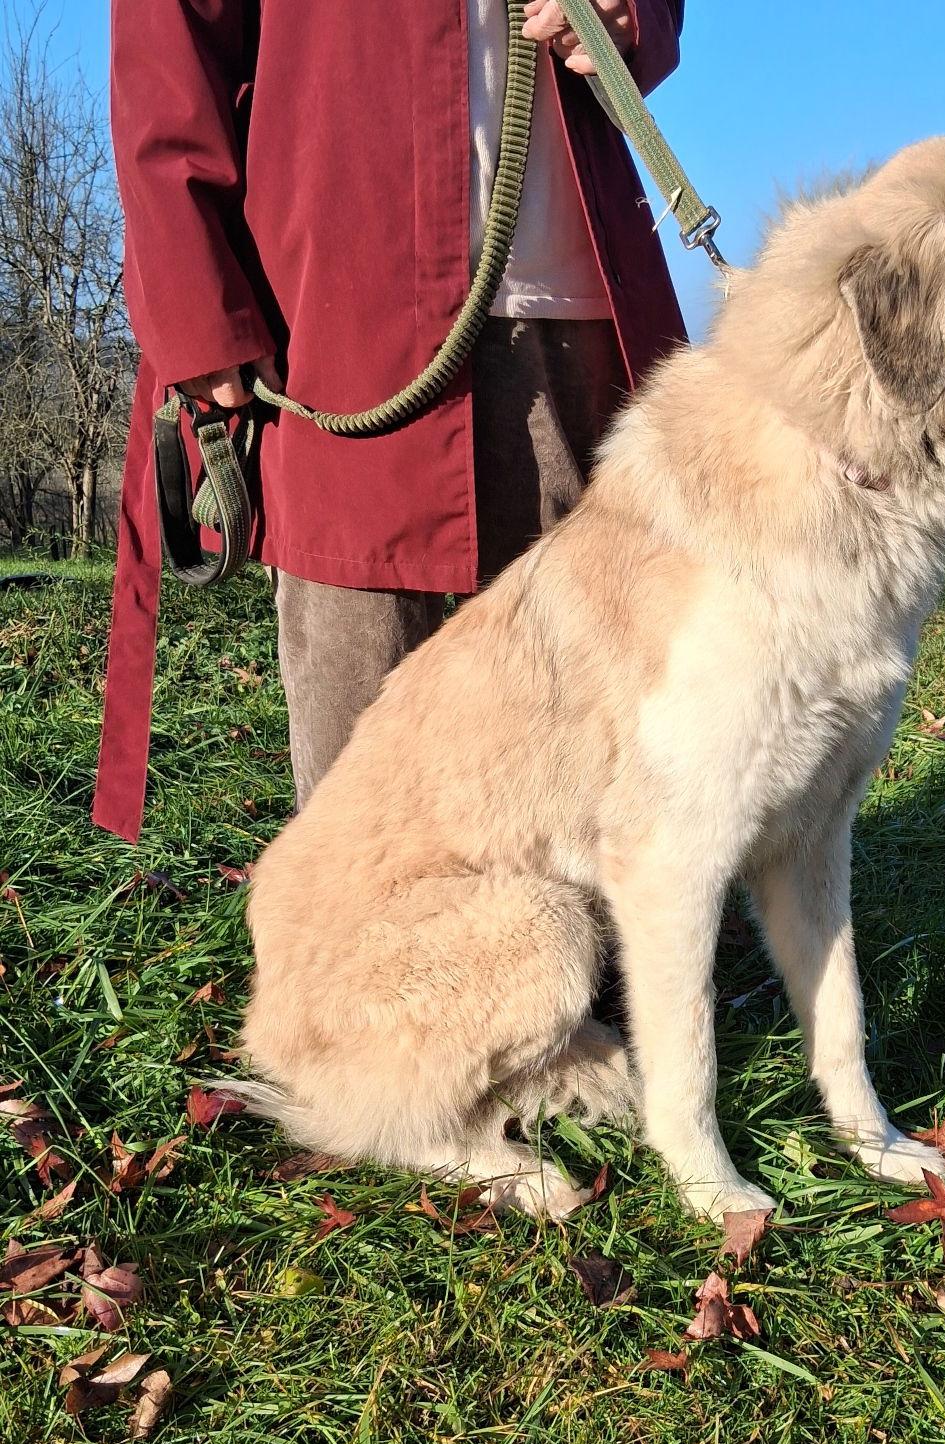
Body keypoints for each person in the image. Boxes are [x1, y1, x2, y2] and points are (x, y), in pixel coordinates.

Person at [94, 0, 686, 841]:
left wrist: (638, 13)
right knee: (357, 756)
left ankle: (584, 963)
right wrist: (191, 292)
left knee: (581, 734)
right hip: (336, 300)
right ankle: (355, 958)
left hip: (570, 284)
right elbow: (168, 31)